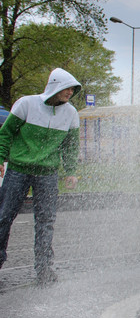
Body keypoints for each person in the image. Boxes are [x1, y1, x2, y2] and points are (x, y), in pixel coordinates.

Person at [0, 68, 82, 284]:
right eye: (67, 88)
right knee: (4, 217)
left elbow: (71, 146)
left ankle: (44, 268)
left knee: (46, 221)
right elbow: (5, 133)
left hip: (47, 174)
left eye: (73, 89)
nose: (71, 92)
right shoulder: (26, 104)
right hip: (19, 169)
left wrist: (71, 171)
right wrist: (0, 159)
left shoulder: (71, 114)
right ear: (55, 86)